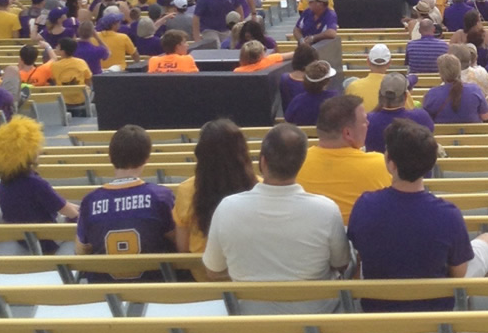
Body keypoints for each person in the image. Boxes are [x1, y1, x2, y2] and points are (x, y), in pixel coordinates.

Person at [348, 119, 488, 309]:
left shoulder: (365, 205)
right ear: (430, 165)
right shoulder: (448, 215)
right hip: (436, 313)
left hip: (377, 308)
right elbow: (459, 273)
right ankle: (477, 321)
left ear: (390, 164)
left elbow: (358, 254)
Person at [203, 124, 349, 306]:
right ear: (301, 163)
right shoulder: (326, 209)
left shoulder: (227, 207)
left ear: (263, 162)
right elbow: (341, 263)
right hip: (317, 315)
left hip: (250, 315)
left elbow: (214, 271)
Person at [75, 126, 177, 278]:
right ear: (146, 158)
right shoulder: (161, 196)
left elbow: (81, 250)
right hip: (155, 288)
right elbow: (177, 241)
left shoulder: (90, 200)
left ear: (110, 157)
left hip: (105, 292)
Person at [296, 94, 390, 221]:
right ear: (347, 133)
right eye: (364, 120)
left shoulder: (297, 163)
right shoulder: (379, 164)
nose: (368, 124)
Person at [173, 119, 257, 254]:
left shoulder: (186, 189)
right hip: (250, 271)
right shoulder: (261, 186)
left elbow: (183, 247)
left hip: (201, 273)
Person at [0, 116, 79, 236]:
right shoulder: (35, 183)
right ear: (30, 154)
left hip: (19, 236)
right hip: (45, 237)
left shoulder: (5, 182)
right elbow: (67, 210)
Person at [421, 53, 488, 126]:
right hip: (472, 134)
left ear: (441, 74)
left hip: (443, 135)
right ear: (459, 70)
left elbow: (426, 119)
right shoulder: (474, 90)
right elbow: (486, 116)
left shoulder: (432, 94)